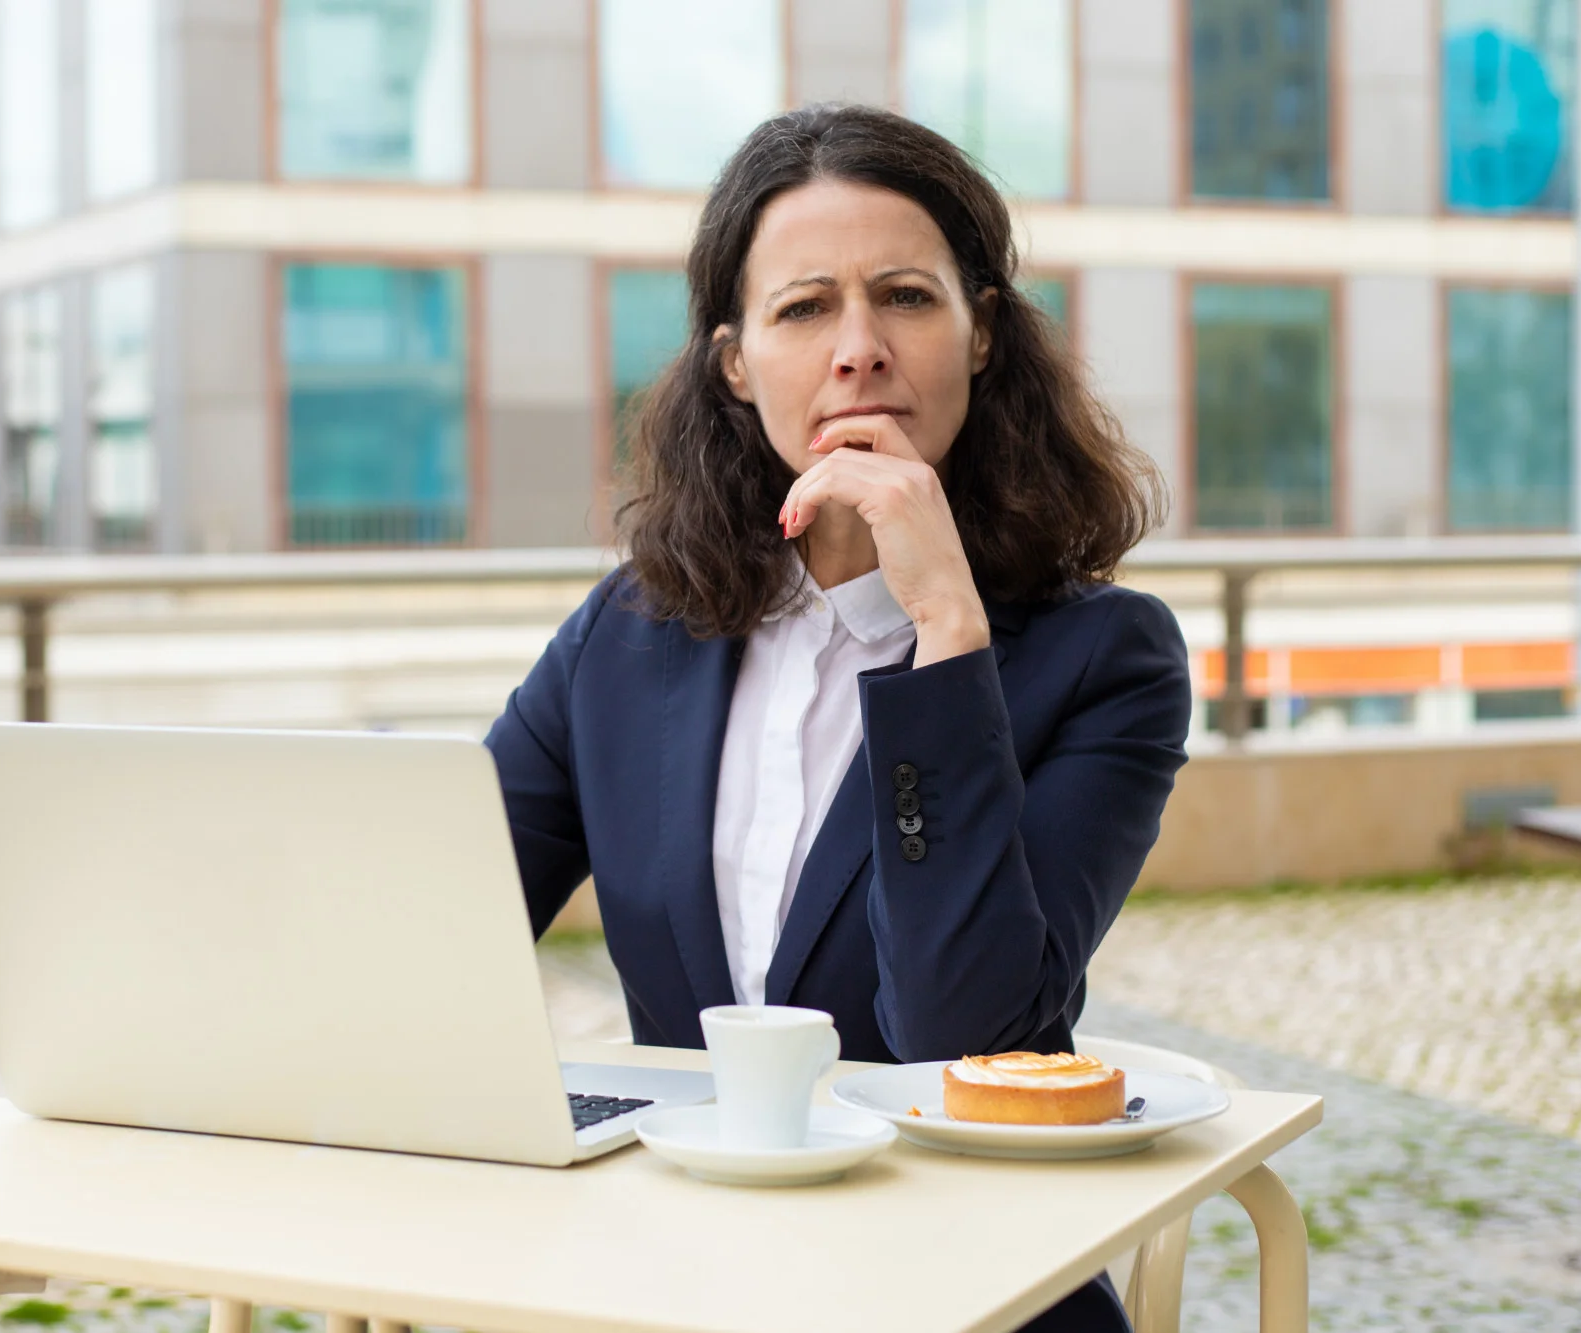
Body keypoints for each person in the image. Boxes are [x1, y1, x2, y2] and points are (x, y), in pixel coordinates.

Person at [484, 104, 1190, 1331]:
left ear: (979, 338)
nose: (857, 349)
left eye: (906, 298)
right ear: (734, 364)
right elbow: (444, 920)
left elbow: (965, 1032)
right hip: (682, 1272)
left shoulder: (1106, 660)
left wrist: (943, 635)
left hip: (969, 1279)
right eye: (803, 307)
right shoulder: (625, 634)